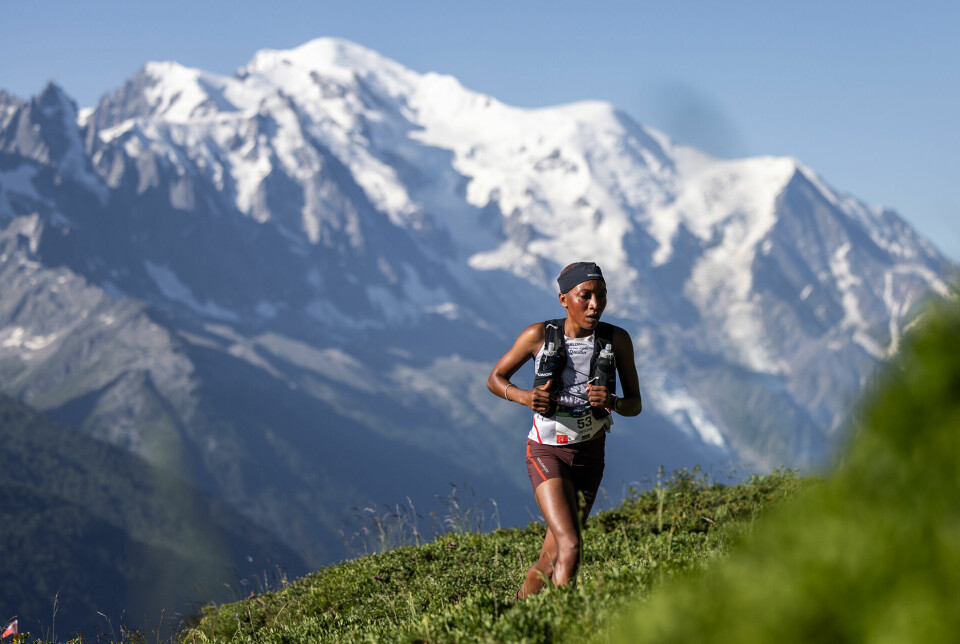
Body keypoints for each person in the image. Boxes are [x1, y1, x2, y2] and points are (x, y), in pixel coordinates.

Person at [487, 261, 642, 598]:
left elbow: (635, 404)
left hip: (591, 455)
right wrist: (525, 397)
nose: (595, 305)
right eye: (585, 296)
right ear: (563, 299)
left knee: (551, 556)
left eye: (601, 296)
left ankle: (513, 614)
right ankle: (560, 621)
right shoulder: (538, 336)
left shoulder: (617, 339)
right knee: (570, 545)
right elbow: (495, 379)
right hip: (547, 451)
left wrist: (613, 401)